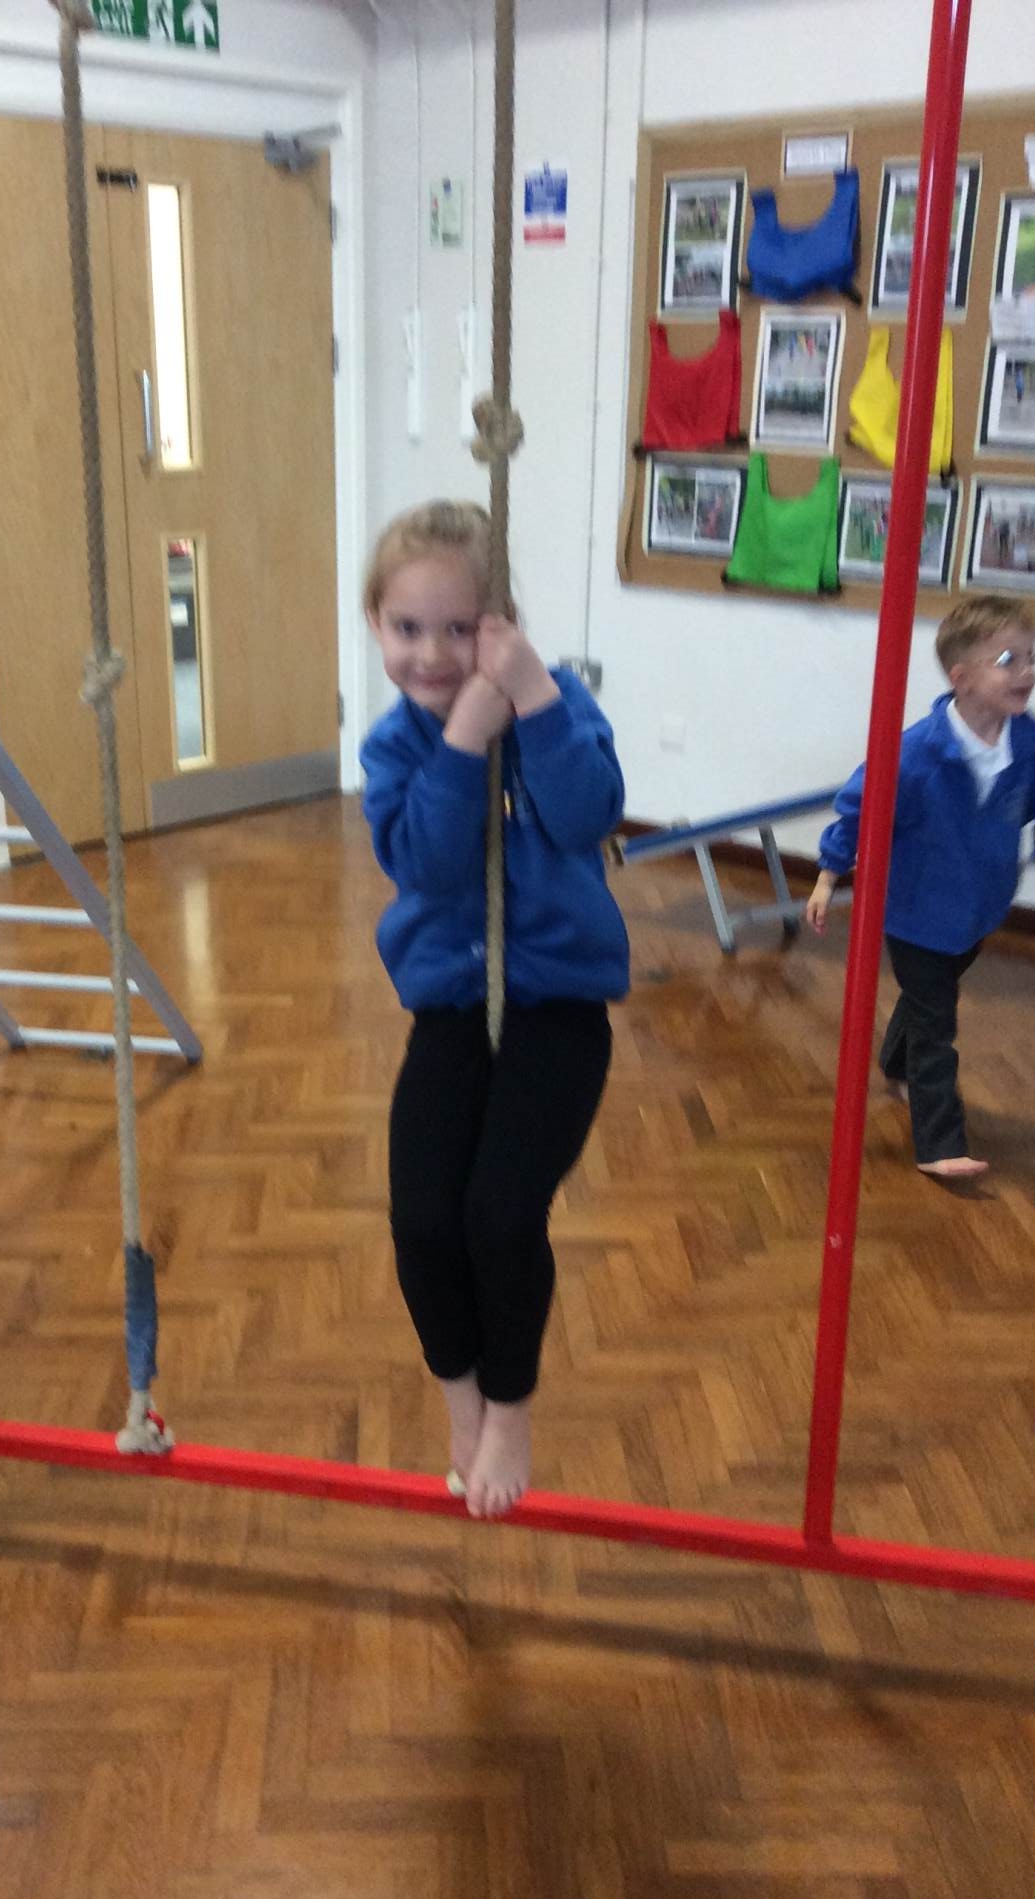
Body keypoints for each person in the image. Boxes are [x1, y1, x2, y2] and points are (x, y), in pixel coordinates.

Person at [360, 500, 629, 1518]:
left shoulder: (559, 705)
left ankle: (510, 1408)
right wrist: (464, 738)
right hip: (450, 1011)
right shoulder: (394, 749)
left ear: (503, 625)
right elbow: (428, 867)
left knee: (501, 1213)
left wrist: (531, 699)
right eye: (406, 627)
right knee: (424, 1219)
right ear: (376, 626)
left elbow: (589, 814)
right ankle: (462, 1397)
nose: (432, 654)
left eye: (459, 628)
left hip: (559, 1009)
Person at [804, 595, 1035, 1180]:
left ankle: (896, 1061)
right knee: (936, 1023)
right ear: (961, 677)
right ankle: (939, 1142)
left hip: (978, 910)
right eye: (1008, 660)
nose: (1027, 672)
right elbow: (858, 812)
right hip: (914, 912)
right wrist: (826, 876)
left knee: (930, 997)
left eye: (1032, 658)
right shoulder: (915, 753)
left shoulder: (1031, 745)